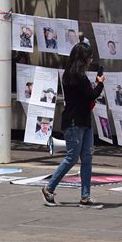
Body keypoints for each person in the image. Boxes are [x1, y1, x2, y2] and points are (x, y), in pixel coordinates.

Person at [41, 42, 105, 208]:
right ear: (83, 59)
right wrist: (100, 83)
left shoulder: (73, 75)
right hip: (75, 122)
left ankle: (85, 196)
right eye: (89, 57)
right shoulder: (76, 76)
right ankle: (49, 188)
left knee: (87, 157)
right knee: (72, 157)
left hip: (83, 120)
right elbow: (91, 95)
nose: (91, 60)